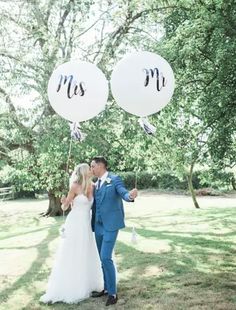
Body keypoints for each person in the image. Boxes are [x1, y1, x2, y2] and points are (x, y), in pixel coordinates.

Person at [40, 163, 103, 304]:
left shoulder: (92, 186)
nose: (91, 170)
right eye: (89, 169)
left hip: (86, 224)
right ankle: (71, 284)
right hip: (75, 222)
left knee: (86, 250)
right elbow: (64, 206)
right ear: (83, 172)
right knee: (73, 250)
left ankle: (87, 283)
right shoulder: (74, 186)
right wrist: (64, 202)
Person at [90, 156, 138, 306]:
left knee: (106, 257)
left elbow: (123, 193)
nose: (91, 169)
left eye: (92, 166)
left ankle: (113, 293)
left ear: (101, 166)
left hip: (111, 225)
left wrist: (130, 196)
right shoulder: (95, 183)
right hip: (98, 225)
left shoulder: (114, 179)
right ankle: (105, 288)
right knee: (101, 259)